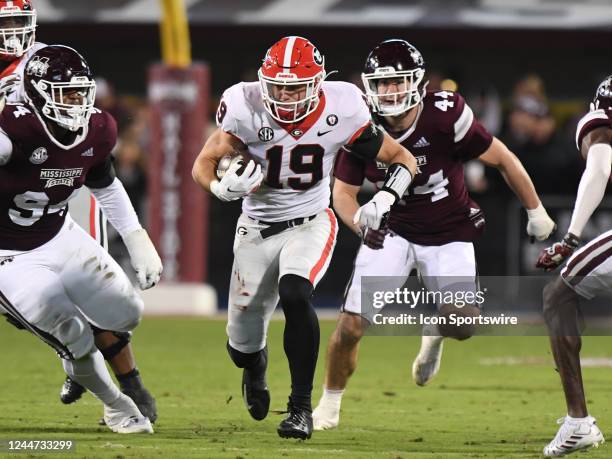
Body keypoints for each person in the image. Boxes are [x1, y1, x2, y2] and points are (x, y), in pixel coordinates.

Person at [312, 39, 556, 430]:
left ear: (417, 82)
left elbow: (502, 158)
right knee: (351, 325)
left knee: (463, 323)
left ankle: (433, 332)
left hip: (448, 230)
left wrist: (536, 210)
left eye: (398, 82)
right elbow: (342, 193)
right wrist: (362, 225)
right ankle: (329, 403)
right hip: (391, 232)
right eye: (383, 83)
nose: (390, 92)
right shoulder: (362, 125)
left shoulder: (446, 115)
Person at [192, 36, 417, 440]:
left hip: (310, 220)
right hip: (255, 229)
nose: (285, 94)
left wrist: (385, 197)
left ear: (317, 83)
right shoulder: (243, 106)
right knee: (240, 348)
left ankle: (299, 409)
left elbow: (403, 159)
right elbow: (202, 164)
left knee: (296, 292)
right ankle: (255, 367)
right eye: (278, 85)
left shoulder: (343, 106)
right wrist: (218, 188)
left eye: (295, 86)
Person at [0, 0, 157, 422]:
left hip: (61, 182)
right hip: (11, 197)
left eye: (18, 22)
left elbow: (87, 124)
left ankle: (127, 379)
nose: (12, 33)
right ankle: (79, 359)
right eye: (4, 24)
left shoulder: (45, 62)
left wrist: (136, 237)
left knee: (99, 294)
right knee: (40, 305)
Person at [536, 76, 612, 457]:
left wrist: (571, 238)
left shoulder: (599, 124)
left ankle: (578, 422)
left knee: (558, 296)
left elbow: (598, 170)